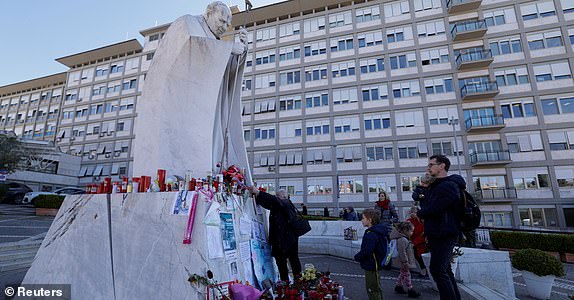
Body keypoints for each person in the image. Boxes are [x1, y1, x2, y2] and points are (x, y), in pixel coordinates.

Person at [133, 1, 252, 182]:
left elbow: (225, 75)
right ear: (209, 13)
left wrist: (240, 54)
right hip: (179, 109)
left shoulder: (215, 41)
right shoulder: (188, 23)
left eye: (228, 24)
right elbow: (191, 48)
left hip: (207, 110)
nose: (224, 27)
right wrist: (228, 48)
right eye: (221, 21)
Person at [417, 155, 465, 300]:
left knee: (437, 270)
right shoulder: (437, 185)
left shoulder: (448, 185)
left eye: (431, 164)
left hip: (444, 233)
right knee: (445, 270)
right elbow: (427, 204)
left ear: (442, 166)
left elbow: (436, 207)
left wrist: (421, 212)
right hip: (438, 232)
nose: (428, 167)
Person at [249, 187, 301, 282]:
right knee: (281, 265)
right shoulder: (277, 206)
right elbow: (267, 203)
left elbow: (274, 200)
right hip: (279, 242)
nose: (276, 198)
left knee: (294, 262)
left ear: (285, 197)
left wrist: (259, 192)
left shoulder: (286, 203)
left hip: (288, 241)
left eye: (278, 196)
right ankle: (285, 285)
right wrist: (257, 197)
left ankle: (299, 284)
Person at [354, 209, 388, 300]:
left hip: (372, 265)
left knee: (372, 289)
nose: (361, 220)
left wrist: (357, 257)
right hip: (375, 264)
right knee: (376, 288)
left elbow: (367, 251)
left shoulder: (371, 234)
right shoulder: (376, 231)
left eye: (363, 218)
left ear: (370, 220)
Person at [409, 173, 434, 277]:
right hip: (417, 241)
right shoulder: (419, 190)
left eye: (425, 183)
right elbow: (415, 196)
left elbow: (422, 232)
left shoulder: (422, 221)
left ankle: (427, 269)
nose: (423, 184)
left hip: (423, 240)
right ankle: (424, 269)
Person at [391, 222, 421, 298]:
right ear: (405, 230)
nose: (412, 233)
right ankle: (410, 289)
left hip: (403, 261)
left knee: (402, 273)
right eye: (411, 231)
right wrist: (405, 262)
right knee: (407, 274)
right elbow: (402, 252)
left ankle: (399, 286)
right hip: (404, 261)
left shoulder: (402, 239)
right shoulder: (402, 240)